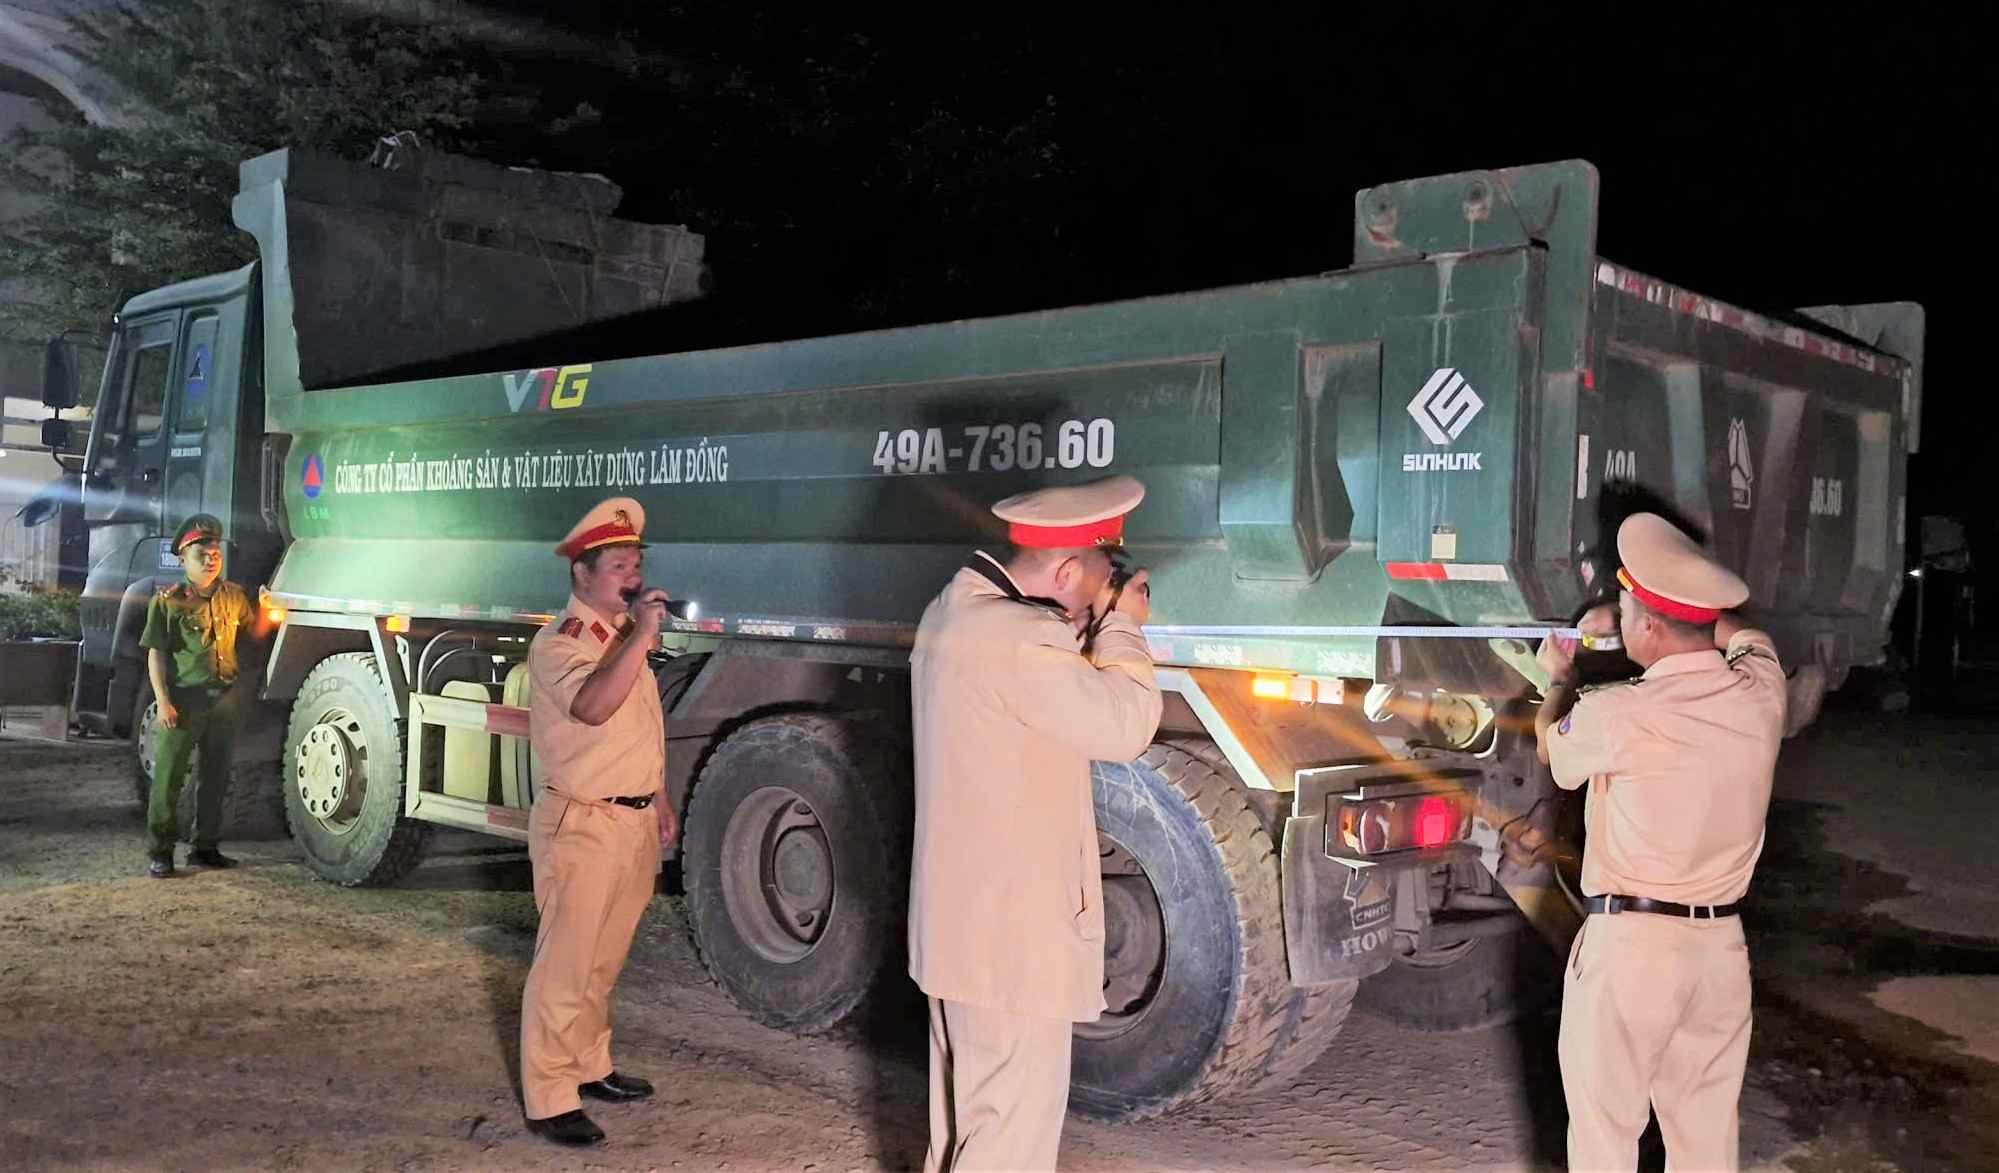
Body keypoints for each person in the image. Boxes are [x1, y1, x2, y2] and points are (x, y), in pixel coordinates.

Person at [909, 474, 1165, 1172]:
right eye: (1087, 588)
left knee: (963, 1131)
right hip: (1010, 946)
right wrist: (1122, 627)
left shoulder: (955, 611)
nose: (1081, 609)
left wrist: (1083, 620)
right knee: (1007, 1146)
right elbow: (1125, 724)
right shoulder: (1018, 638)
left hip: (966, 937)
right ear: (1063, 568)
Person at [1534, 512, 1788, 1172]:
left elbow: (1550, 745)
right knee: (1704, 1143)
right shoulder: (1761, 692)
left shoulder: (1615, 713)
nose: (1616, 621)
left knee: (1603, 1139)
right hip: (1718, 956)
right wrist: (1645, 611)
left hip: (1633, 955)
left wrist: (1556, 676)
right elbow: (1743, 632)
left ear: (1646, 627)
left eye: (1624, 612)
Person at [519, 496, 680, 1148]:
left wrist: (660, 795)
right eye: (619, 565)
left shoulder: (619, 639)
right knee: (566, 963)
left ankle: (590, 1064)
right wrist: (641, 635)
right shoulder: (561, 644)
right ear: (582, 574)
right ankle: (549, 1093)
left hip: (631, 822)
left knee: (602, 960)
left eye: (637, 563)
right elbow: (592, 708)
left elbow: (639, 725)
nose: (633, 576)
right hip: (582, 824)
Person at [140, 513, 252, 879]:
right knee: (169, 779)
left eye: (215, 550)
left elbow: (255, 632)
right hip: (184, 701)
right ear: (183, 559)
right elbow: (155, 652)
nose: (211, 556)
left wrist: (268, 606)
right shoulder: (169, 601)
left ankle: (205, 847)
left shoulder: (234, 596)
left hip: (224, 699)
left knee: (215, 777)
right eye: (202, 551)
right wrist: (163, 701)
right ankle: (161, 851)